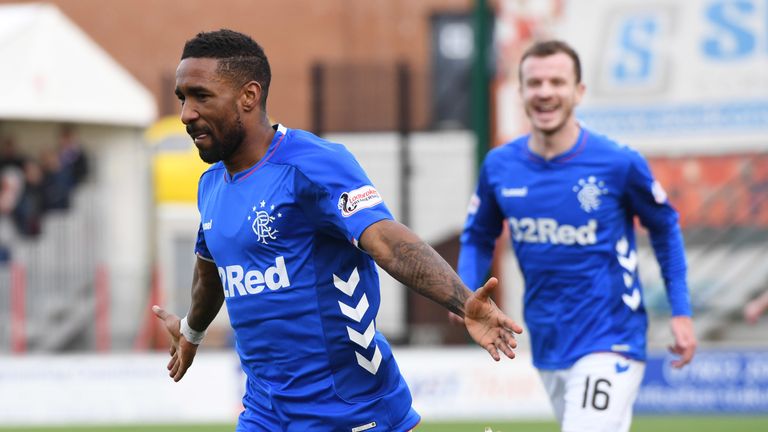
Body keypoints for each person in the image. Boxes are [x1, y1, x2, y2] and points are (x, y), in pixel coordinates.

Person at [151, 29, 523, 431]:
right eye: (182, 98)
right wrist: (192, 331)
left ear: (248, 96)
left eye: (200, 96)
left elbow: (385, 240)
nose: (186, 113)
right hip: (265, 413)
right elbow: (212, 273)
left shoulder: (312, 164)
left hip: (350, 410)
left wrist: (462, 301)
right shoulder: (211, 186)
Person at [456, 40, 697, 432]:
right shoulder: (500, 165)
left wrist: (681, 312)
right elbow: (478, 234)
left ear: (578, 92)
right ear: (521, 93)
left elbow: (665, 227)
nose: (546, 91)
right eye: (535, 83)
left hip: (611, 335)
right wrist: (464, 291)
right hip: (548, 338)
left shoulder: (618, 162)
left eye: (557, 81)